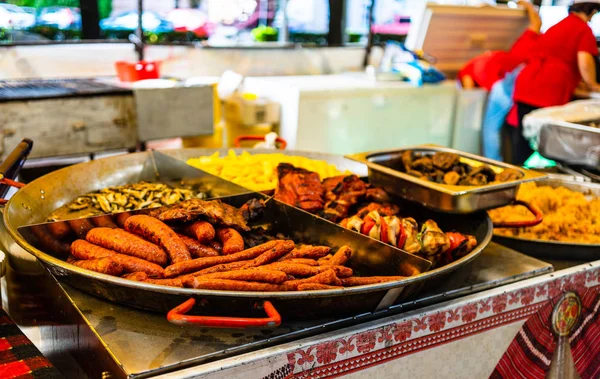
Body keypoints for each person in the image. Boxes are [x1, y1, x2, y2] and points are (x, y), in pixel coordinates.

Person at [507, 0, 600, 165]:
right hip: (546, 92)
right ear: (591, 11)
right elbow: (585, 65)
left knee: (522, 146)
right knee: (547, 146)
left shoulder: (559, 26)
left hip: (527, 87)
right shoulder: (583, 29)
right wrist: (593, 85)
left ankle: (517, 178)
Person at [457, 1, 541, 161]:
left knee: (490, 127)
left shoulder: (466, 70)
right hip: (525, 80)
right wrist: (527, 5)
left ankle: (493, 161)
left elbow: (469, 95)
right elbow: (537, 21)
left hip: (506, 83)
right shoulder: (528, 43)